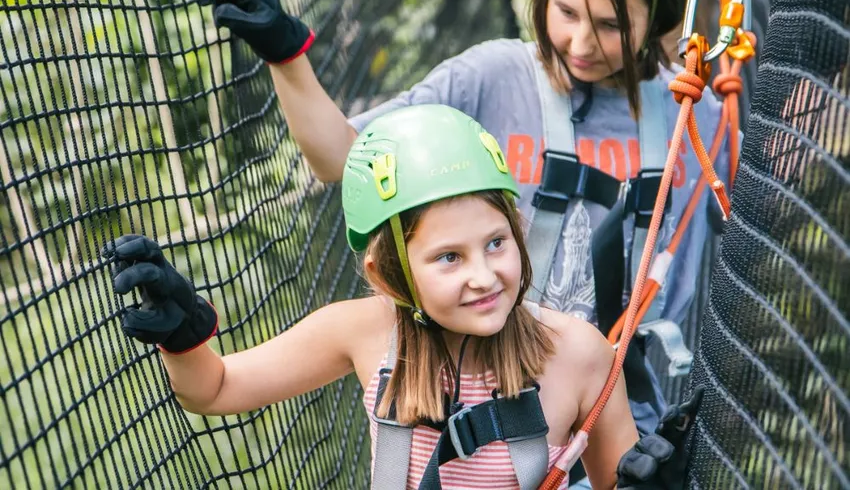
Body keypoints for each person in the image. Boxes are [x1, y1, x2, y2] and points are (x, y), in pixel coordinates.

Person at [103, 105, 698, 490]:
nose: (484, 276)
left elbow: (618, 477)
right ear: (390, 274)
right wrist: (185, 339)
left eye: (496, 243)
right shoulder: (363, 333)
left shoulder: (578, 354)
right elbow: (216, 389)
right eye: (448, 257)